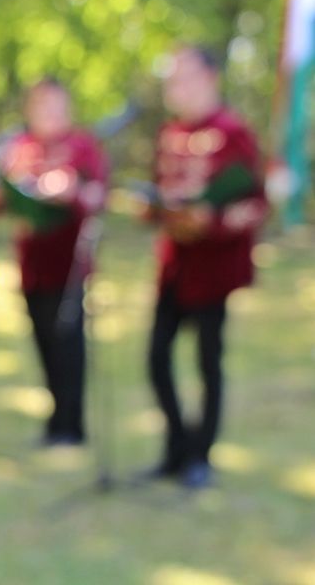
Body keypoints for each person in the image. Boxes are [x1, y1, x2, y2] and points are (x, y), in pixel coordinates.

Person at [142, 47, 268, 488]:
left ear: (211, 77)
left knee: (207, 362)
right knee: (157, 358)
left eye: (185, 76)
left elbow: (255, 203)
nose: (176, 86)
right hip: (174, 266)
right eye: (172, 78)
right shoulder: (169, 132)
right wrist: (154, 208)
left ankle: (200, 456)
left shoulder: (233, 132)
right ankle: (176, 448)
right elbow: (160, 189)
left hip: (212, 269)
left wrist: (210, 221)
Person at [0, 78, 108, 446]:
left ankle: (71, 425)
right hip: (32, 264)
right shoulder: (18, 147)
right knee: (44, 340)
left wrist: (71, 190)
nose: (49, 114)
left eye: (55, 106)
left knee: (68, 342)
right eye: (41, 106)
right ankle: (56, 422)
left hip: (70, 263)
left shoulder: (83, 146)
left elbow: (98, 196)